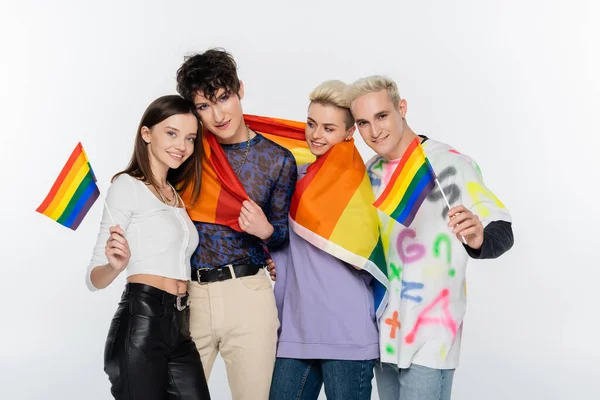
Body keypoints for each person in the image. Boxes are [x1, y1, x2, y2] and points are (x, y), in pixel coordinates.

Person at [345, 75, 514, 400]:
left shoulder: (448, 164)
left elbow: (502, 227)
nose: (375, 131)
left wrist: (477, 237)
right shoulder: (370, 172)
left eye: (381, 116)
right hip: (383, 333)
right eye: (363, 122)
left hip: (431, 335)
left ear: (401, 108)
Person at [175, 48, 297, 400]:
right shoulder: (188, 152)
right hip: (191, 295)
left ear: (239, 89)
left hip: (249, 295)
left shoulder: (277, 160)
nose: (217, 114)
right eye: (203, 106)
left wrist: (266, 231)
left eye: (223, 98)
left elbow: (283, 238)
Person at [266, 80, 389, 400]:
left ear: (349, 133)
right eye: (311, 124)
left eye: (329, 128)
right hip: (296, 327)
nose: (316, 135)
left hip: (347, 334)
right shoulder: (294, 174)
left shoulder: (360, 183)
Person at [86, 95, 211, 399]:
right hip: (141, 323)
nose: (181, 145)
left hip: (181, 327)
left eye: (190, 138)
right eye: (171, 133)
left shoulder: (176, 196)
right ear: (146, 134)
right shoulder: (127, 186)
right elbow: (93, 279)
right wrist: (114, 266)